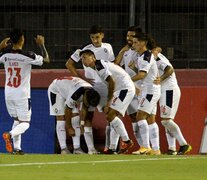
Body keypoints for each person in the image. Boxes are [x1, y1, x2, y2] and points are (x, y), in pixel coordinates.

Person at [65, 25, 119, 154]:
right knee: (88, 115)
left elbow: (112, 65)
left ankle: (111, 147)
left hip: (106, 86)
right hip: (91, 87)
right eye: (92, 37)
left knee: (111, 115)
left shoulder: (108, 47)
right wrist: (81, 78)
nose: (95, 40)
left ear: (102, 35)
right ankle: (91, 149)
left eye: (97, 37)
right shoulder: (84, 49)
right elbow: (69, 64)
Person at [0, 28, 50, 154]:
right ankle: (9, 135)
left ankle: (17, 149)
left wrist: (0, 47)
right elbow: (46, 60)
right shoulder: (28, 55)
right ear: (22, 39)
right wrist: (42, 45)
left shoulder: (5, 55)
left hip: (9, 93)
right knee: (25, 123)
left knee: (17, 120)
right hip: (21, 94)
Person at [80, 49, 135, 154]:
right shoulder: (98, 66)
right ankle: (112, 148)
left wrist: (109, 102)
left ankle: (126, 141)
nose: (83, 61)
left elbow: (111, 82)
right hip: (121, 89)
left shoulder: (99, 65)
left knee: (110, 115)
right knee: (112, 117)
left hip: (124, 88)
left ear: (93, 57)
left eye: (85, 57)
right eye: (82, 59)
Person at [152, 47, 192, 155]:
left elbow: (169, 69)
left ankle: (184, 144)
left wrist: (160, 79)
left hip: (169, 90)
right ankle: (172, 148)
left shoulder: (158, 58)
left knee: (165, 121)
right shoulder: (152, 57)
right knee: (167, 121)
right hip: (164, 90)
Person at [48, 76, 100, 154]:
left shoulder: (90, 92)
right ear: (85, 96)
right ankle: (63, 149)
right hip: (56, 90)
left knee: (76, 117)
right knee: (61, 117)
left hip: (67, 90)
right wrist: (69, 127)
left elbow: (85, 107)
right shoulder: (76, 93)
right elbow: (68, 110)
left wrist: (82, 124)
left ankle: (77, 149)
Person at [130, 32, 161, 155]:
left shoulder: (146, 55)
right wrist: (133, 69)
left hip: (150, 90)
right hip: (149, 89)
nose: (134, 45)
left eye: (136, 42)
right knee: (151, 119)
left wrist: (127, 80)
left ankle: (145, 146)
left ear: (143, 43)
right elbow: (144, 73)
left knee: (140, 116)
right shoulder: (142, 56)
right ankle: (156, 149)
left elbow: (142, 74)